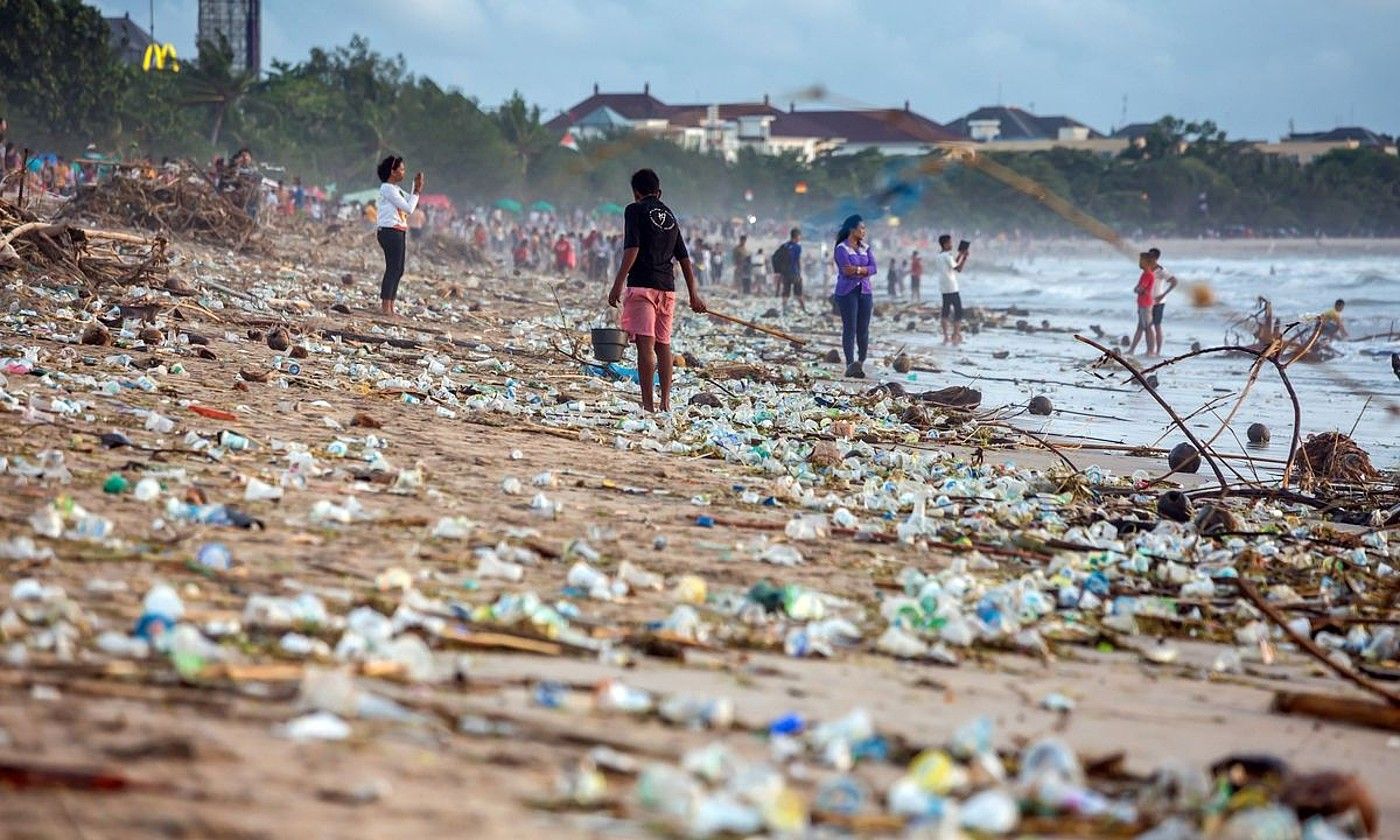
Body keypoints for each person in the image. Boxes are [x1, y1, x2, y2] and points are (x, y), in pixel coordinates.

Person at [607, 168, 708, 413]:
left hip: (643, 285)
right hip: (667, 289)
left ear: (636, 193)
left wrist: (617, 283)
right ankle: (665, 403)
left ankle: (648, 404)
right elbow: (684, 258)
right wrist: (694, 294)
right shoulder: (670, 216)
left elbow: (632, 249)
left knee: (645, 345)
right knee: (663, 345)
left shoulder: (634, 210)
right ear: (659, 192)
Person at [374, 155, 423, 316]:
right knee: (393, 268)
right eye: (401, 169)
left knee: (399, 269)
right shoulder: (387, 188)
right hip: (389, 231)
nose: (403, 172)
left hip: (398, 230)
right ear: (392, 172)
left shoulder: (396, 190)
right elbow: (409, 208)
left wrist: (415, 189)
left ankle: (391, 305)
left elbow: (410, 201)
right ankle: (385, 306)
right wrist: (416, 191)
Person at [833, 215, 876, 378]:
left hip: (865, 291)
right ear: (852, 230)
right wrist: (864, 269)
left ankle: (861, 361)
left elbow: (874, 268)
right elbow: (845, 270)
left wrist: (857, 270)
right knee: (849, 328)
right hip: (847, 292)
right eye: (862, 228)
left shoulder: (866, 248)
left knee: (863, 329)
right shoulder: (841, 248)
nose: (864, 231)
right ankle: (850, 363)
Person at [936, 235, 969, 345]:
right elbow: (958, 269)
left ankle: (946, 336)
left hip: (944, 287)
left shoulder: (940, 256)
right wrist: (964, 258)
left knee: (945, 312)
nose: (951, 245)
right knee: (958, 311)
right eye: (950, 243)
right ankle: (955, 334)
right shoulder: (947, 256)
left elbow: (952, 264)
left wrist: (960, 255)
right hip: (952, 287)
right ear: (945, 244)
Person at [1146, 247, 1179, 352]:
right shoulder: (1147, 269)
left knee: (1157, 326)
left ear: (1156, 258)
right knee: (1148, 326)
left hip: (1159, 301)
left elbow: (1174, 281)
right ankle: (1150, 349)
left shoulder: (1161, 270)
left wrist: (1163, 294)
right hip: (1148, 301)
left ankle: (1158, 351)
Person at [1129, 251, 1158, 357]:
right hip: (1142, 303)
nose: (1139, 262)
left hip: (1146, 304)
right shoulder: (1144, 274)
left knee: (1148, 327)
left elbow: (1140, 288)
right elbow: (1137, 288)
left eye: (1141, 260)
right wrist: (1138, 289)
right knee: (1141, 327)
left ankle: (1151, 350)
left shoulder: (1148, 274)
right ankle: (1132, 349)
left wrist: (1138, 289)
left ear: (1147, 262)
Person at [776, 227, 805, 312]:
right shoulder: (797, 247)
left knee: (786, 292)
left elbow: (778, 258)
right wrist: (799, 273)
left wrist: (780, 272)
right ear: (796, 236)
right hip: (794, 272)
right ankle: (804, 309)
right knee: (799, 293)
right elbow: (797, 260)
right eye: (799, 236)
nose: (800, 238)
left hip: (785, 273)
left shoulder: (784, 246)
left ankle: (784, 309)